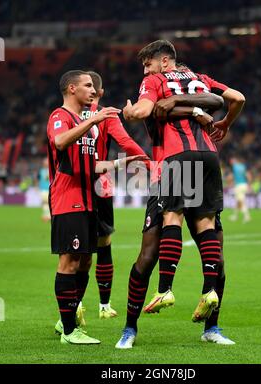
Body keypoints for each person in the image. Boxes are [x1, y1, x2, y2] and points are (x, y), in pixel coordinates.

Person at [115, 40, 245, 349]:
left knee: (147, 255)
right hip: (209, 161)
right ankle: (211, 325)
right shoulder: (201, 79)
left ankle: (134, 325)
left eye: (147, 64)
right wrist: (224, 121)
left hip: (171, 164)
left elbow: (144, 109)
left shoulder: (154, 80)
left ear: (162, 62)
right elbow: (236, 98)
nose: (144, 71)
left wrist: (131, 112)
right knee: (214, 245)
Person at [47, 69, 147, 345]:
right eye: (87, 85)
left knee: (85, 261)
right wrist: (96, 118)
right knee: (68, 262)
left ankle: (67, 318)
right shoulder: (61, 117)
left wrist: (121, 163)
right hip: (69, 199)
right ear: (71, 89)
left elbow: (91, 166)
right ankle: (69, 331)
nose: (93, 90)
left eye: (94, 86)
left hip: (89, 200)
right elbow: (59, 141)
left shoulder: (87, 124)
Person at [79, 71, 149, 319]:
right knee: (104, 243)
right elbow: (126, 143)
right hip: (100, 185)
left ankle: (74, 306)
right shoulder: (107, 114)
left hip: (70, 185)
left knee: (75, 249)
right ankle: (104, 305)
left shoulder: (66, 114)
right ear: (101, 93)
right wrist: (149, 163)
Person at [228, 155, 252, 223]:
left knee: (241, 201)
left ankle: (247, 216)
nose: (231, 162)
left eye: (232, 161)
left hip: (238, 185)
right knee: (238, 201)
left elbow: (230, 177)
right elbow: (248, 175)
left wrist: (229, 183)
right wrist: (249, 185)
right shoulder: (243, 166)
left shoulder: (234, 167)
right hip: (244, 185)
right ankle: (235, 216)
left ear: (235, 160)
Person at [38, 157, 50, 222]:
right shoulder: (50, 170)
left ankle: (47, 215)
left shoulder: (42, 171)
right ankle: (47, 215)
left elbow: (38, 179)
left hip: (46, 189)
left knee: (45, 203)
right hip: (44, 189)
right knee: (46, 203)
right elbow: (39, 180)